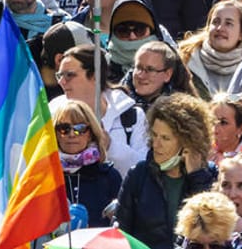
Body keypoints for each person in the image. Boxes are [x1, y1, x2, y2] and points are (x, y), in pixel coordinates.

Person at [115, 93, 217, 249]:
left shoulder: (209, 175)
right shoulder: (138, 174)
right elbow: (120, 235)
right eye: (154, 135)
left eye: (165, 138)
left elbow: (211, 230)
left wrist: (196, 178)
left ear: (187, 142)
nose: (156, 144)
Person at [57, 43, 148, 176]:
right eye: (59, 76)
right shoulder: (52, 113)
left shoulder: (131, 116)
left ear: (95, 76)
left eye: (69, 75)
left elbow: (143, 171)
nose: (62, 82)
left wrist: (111, 146)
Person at [51, 97, 122, 230]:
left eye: (80, 128)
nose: (72, 134)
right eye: (64, 128)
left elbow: (121, 228)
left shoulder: (109, 176)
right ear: (55, 134)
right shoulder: (45, 177)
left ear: (90, 133)